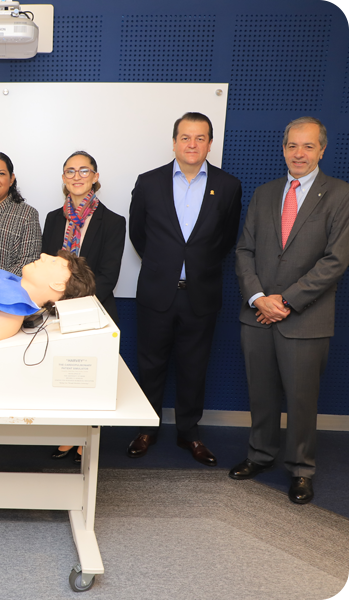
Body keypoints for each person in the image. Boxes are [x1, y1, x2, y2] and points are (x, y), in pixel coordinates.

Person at [230, 116, 349, 505]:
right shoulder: (265, 194)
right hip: (257, 314)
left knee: (302, 399)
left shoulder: (340, 195)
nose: (299, 153)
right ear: (283, 149)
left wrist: (286, 301)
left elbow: (335, 260)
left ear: (322, 150)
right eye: (292, 146)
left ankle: (301, 469)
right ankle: (260, 455)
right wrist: (258, 297)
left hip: (305, 318)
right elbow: (244, 250)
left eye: (308, 146)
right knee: (260, 394)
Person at [128, 112, 242, 466]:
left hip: (200, 294)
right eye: (185, 137)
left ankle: (189, 434)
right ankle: (147, 428)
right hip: (157, 292)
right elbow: (139, 236)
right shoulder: (148, 183)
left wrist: (194, 264)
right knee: (151, 365)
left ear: (210, 143)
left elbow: (226, 240)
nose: (192, 145)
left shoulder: (228, 186)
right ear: (174, 141)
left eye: (200, 138)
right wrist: (165, 264)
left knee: (194, 367)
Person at [42, 150, 126, 463]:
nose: (77, 177)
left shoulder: (114, 222)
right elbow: (46, 266)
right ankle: (66, 434)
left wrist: (75, 303)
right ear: (63, 178)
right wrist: (57, 303)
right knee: (62, 376)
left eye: (84, 171)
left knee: (91, 379)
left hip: (95, 311)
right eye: (70, 171)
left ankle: (86, 440)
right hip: (56, 313)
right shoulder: (52, 219)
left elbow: (109, 275)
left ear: (95, 176)